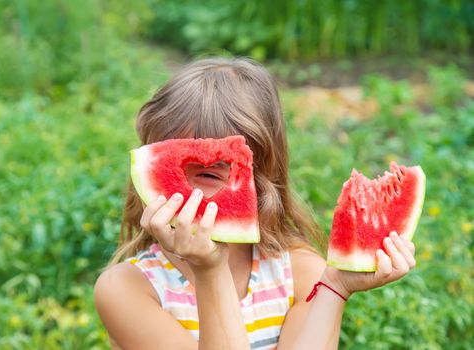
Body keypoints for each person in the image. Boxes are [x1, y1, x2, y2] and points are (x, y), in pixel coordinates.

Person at [93, 57, 416, 350]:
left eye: (209, 173)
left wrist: (336, 288)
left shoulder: (300, 274)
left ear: (261, 176)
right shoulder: (126, 289)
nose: (190, 190)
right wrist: (210, 270)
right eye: (177, 169)